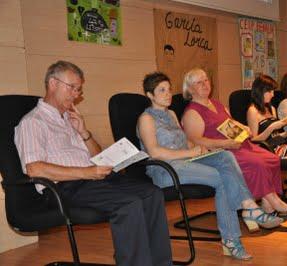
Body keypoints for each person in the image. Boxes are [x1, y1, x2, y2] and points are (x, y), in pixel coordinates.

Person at [14, 61, 172, 266]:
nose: (76, 94)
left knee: (152, 194)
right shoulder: (33, 122)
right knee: (129, 204)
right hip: (64, 188)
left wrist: (84, 133)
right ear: (53, 83)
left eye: (78, 89)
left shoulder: (69, 119)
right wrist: (86, 172)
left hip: (94, 180)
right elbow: (34, 168)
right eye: (72, 87)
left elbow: (98, 157)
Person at [137, 72, 282, 261]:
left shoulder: (171, 114)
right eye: (161, 90)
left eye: (169, 89)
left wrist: (199, 148)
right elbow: (155, 152)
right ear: (150, 95)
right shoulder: (146, 119)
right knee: (223, 179)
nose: (168, 94)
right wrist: (190, 152)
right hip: (165, 169)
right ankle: (235, 234)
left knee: (225, 156)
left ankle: (247, 210)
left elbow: (184, 142)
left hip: (185, 161)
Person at [180, 68, 287, 221]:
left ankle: (267, 205)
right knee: (257, 163)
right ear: (190, 89)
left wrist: (244, 128)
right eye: (199, 82)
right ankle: (276, 203)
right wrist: (226, 143)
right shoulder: (192, 112)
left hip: (239, 145)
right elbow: (195, 141)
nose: (205, 84)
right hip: (222, 151)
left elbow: (230, 123)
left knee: (271, 158)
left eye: (206, 80)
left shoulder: (216, 104)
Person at [247, 74, 287, 161]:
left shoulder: (272, 108)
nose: (273, 95)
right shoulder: (253, 111)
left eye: (273, 91)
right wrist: (271, 127)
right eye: (269, 92)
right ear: (260, 91)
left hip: (280, 145)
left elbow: (276, 137)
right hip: (269, 149)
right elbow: (254, 141)